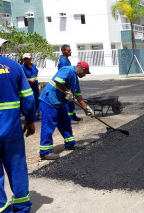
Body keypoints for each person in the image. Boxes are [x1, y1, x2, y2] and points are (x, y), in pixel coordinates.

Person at [0, 48, 36, 212]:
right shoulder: (14, 66)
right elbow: (28, 97)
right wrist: (30, 120)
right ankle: (21, 207)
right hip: (12, 131)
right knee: (17, 170)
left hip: (11, 131)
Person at [38, 61, 94, 160]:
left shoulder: (76, 80)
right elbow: (58, 81)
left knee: (65, 122)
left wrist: (86, 108)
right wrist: (67, 91)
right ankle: (45, 152)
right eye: (85, 73)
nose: (84, 75)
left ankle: (70, 143)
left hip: (60, 103)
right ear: (82, 69)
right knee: (49, 125)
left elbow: (78, 96)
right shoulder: (67, 69)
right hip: (49, 101)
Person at [58, 44, 82, 121]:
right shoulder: (63, 61)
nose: (70, 52)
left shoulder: (66, 60)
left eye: (70, 50)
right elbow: (63, 74)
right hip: (66, 85)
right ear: (63, 51)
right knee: (67, 102)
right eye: (68, 51)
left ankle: (73, 116)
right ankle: (68, 118)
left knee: (71, 101)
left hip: (70, 85)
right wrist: (65, 88)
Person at [21, 53, 40, 119]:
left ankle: (36, 114)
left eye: (27, 58)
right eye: (25, 59)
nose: (26, 60)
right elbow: (21, 77)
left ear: (31, 58)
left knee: (37, 99)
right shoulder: (22, 68)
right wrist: (29, 80)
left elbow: (36, 73)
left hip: (35, 86)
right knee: (29, 100)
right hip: (27, 87)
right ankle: (29, 115)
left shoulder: (33, 66)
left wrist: (35, 78)